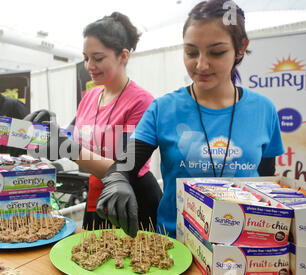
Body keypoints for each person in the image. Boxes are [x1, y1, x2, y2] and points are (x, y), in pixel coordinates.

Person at [95, 0, 285, 238]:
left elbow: (265, 183)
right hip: (178, 247)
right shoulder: (163, 109)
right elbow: (125, 165)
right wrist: (117, 180)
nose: (201, 65)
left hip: (246, 246)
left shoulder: (263, 110)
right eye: (191, 52)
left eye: (216, 52)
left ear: (240, 47)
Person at [25, 12, 162, 231]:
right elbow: (73, 138)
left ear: (123, 56)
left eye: (97, 58)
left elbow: (125, 167)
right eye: (86, 57)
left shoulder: (141, 102)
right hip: (97, 196)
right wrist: (50, 128)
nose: (89, 65)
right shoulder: (90, 98)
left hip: (132, 200)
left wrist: (66, 147)